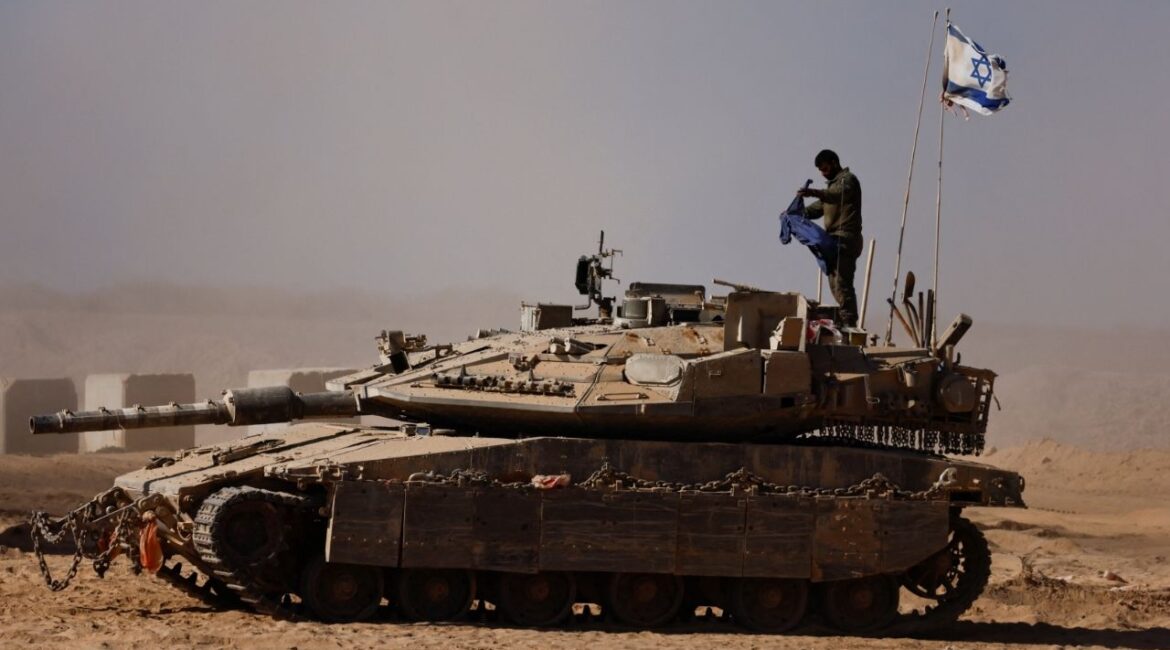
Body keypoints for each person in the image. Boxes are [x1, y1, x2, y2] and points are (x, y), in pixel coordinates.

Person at [797, 149, 862, 327]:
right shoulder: (831, 188)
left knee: (842, 284)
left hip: (846, 240)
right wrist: (794, 213)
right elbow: (815, 209)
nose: (823, 173)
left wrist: (814, 192)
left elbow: (836, 195)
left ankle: (850, 324)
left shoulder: (847, 181)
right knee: (836, 284)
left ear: (834, 163)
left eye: (825, 169)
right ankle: (847, 320)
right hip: (833, 242)